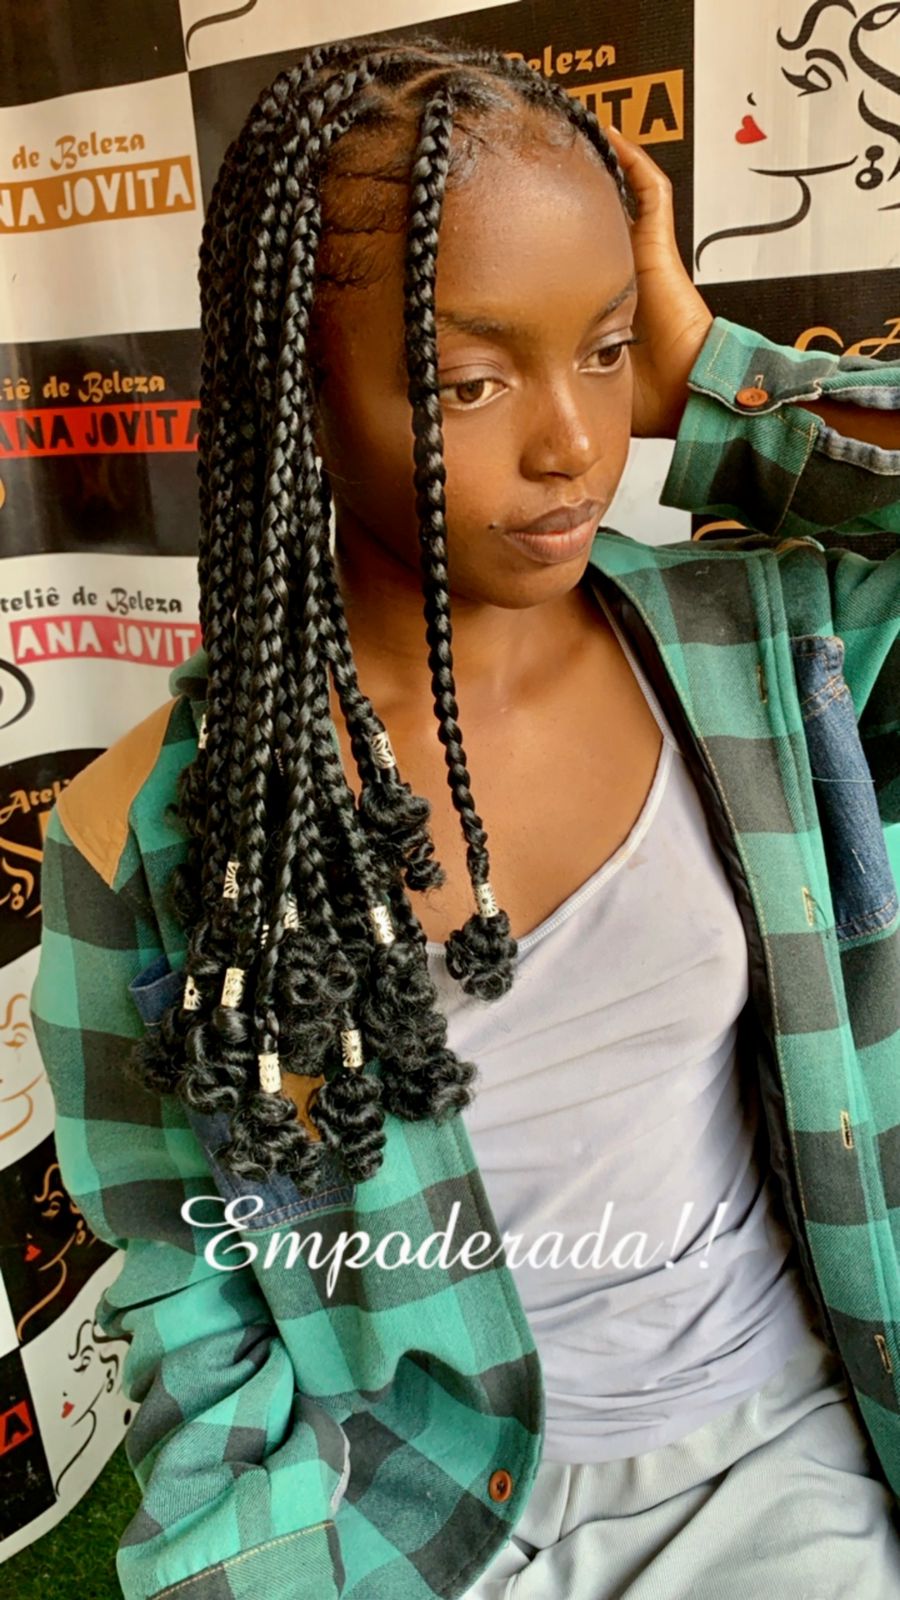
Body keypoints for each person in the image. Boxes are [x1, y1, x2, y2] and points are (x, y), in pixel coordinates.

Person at [29, 32, 900, 1600]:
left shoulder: (770, 655)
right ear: (301, 388)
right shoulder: (147, 834)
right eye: (471, 380)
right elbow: (182, 1269)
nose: (571, 444)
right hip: (413, 1521)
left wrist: (708, 366)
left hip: (779, 1461)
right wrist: (270, 1557)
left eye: (602, 351)